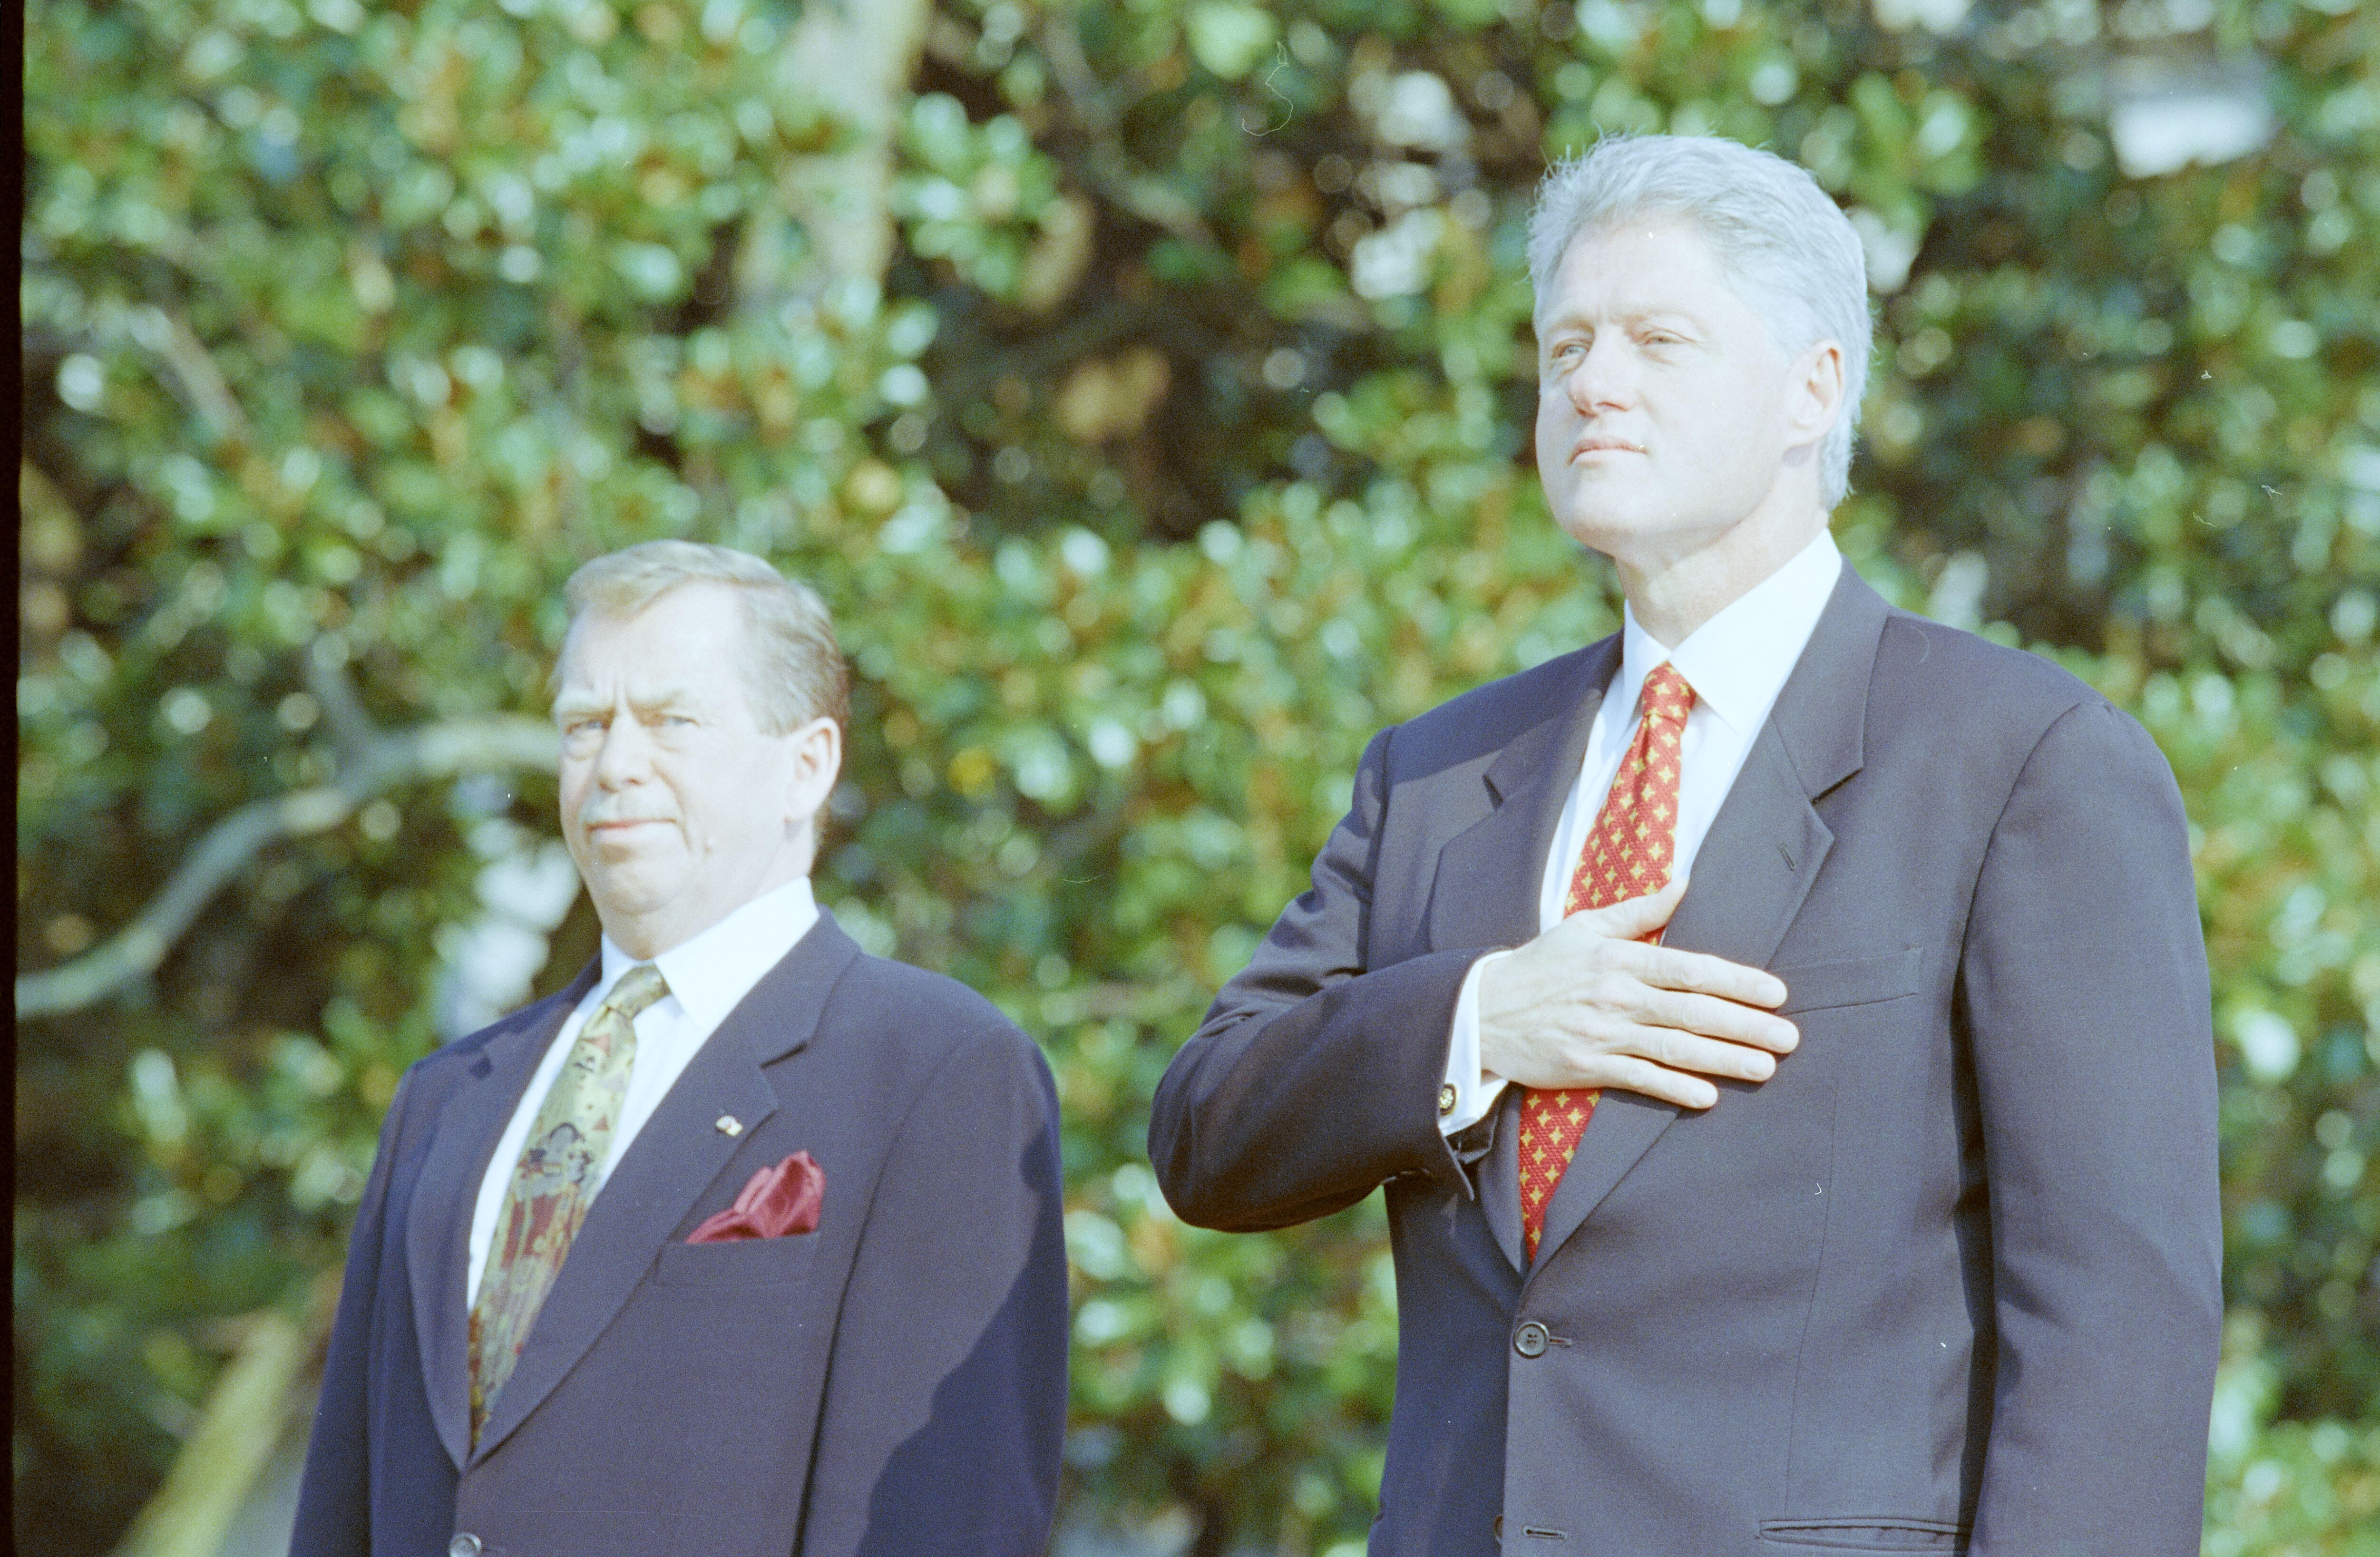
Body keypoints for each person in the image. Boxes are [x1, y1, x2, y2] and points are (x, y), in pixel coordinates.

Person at [1149, 135, 2220, 1557]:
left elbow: (2113, 1317)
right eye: (1564, 346)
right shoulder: (1441, 771)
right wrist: (1481, 1017)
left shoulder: (2018, 759)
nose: (1592, 382)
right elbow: (1209, 1131)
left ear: (1813, 386)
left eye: (1658, 338)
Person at [291, 541, 1067, 1557]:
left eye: (672, 720)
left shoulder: (937, 1071)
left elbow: (946, 1523)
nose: (615, 763)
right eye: (584, 724)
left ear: (808, 764)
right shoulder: (448, 1097)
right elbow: (346, 1504)